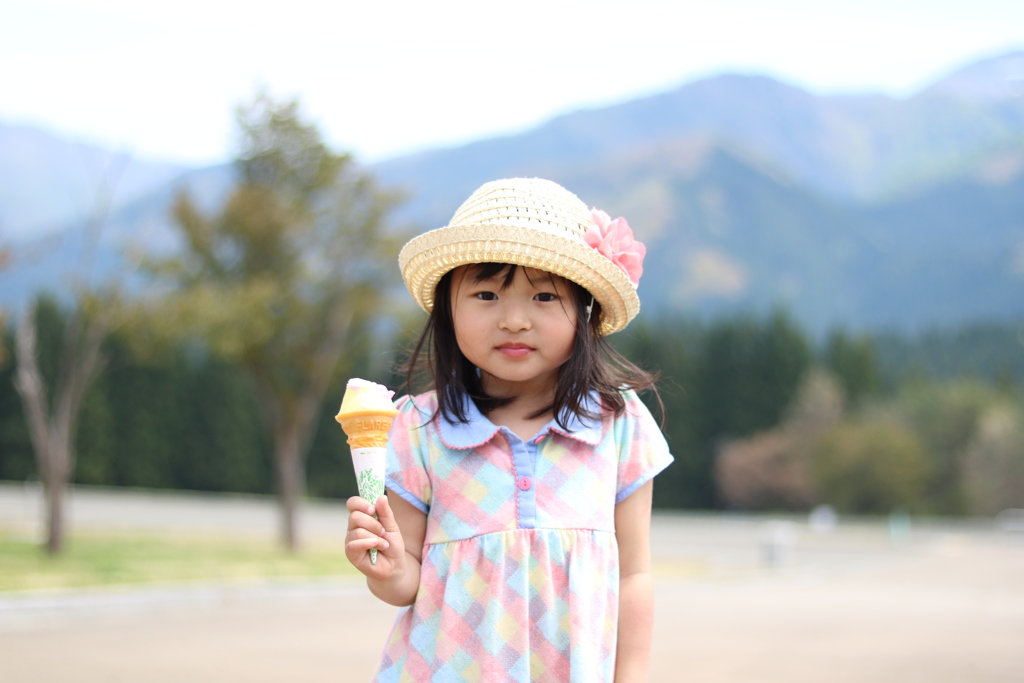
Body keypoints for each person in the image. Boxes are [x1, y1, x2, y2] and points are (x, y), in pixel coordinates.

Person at [345, 178, 674, 682]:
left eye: (544, 296)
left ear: (585, 311)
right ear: (447, 308)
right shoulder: (420, 427)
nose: (515, 319)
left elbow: (634, 575)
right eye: (486, 294)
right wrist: (386, 568)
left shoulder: (617, 422)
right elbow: (406, 583)